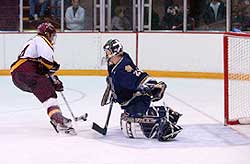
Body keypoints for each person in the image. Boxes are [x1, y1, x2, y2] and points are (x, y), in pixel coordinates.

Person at [101, 39, 183, 141]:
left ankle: (166, 128)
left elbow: (136, 79)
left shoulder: (123, 68)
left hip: (136, 100)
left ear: (116, 52)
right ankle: (166, 113)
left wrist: (149, 87)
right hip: (131, 100)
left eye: (108, 52)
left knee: (131, 125)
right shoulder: (116, 62)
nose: (106, 54)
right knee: (126, 121)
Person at [10, 22, 76, 135]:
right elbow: (47, 62)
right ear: (47, 34)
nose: (52, 38)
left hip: (19, 75)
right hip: (26, 71)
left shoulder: (33, 42)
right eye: (51, 35)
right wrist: (53, 74)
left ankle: (56, 118)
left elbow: (42, 68)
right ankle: (58, 120)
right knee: (49, 94)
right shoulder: (41, 39)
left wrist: (53, 80)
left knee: (46, 89)